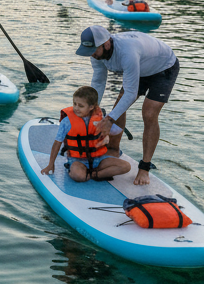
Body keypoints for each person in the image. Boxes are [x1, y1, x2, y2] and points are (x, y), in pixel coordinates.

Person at [75, 24, 180, 185]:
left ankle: (144, 168)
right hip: (140, 68)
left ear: (107, 44)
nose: (93, 55)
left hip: (163, 67)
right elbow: (98, 80)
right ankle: (113, 149)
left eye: (95, 50)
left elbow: (130, 93)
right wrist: (92, 108)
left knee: (149, 114)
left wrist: (109, 120)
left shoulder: (127, 52)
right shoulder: (96, 53)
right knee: (119, 106)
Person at [42, 85, 131, 182]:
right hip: (78, 160)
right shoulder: (67, 122)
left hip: (98, 159)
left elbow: (116, 131)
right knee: (79, 176)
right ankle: (86, 172)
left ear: (91, 107)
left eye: (81, 106)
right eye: (75, 104)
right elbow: (57, 143)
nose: (76, 108)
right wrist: (51, 164)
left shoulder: (100, 119)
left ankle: (95, 174)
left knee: (126, 166)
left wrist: (119, 111)